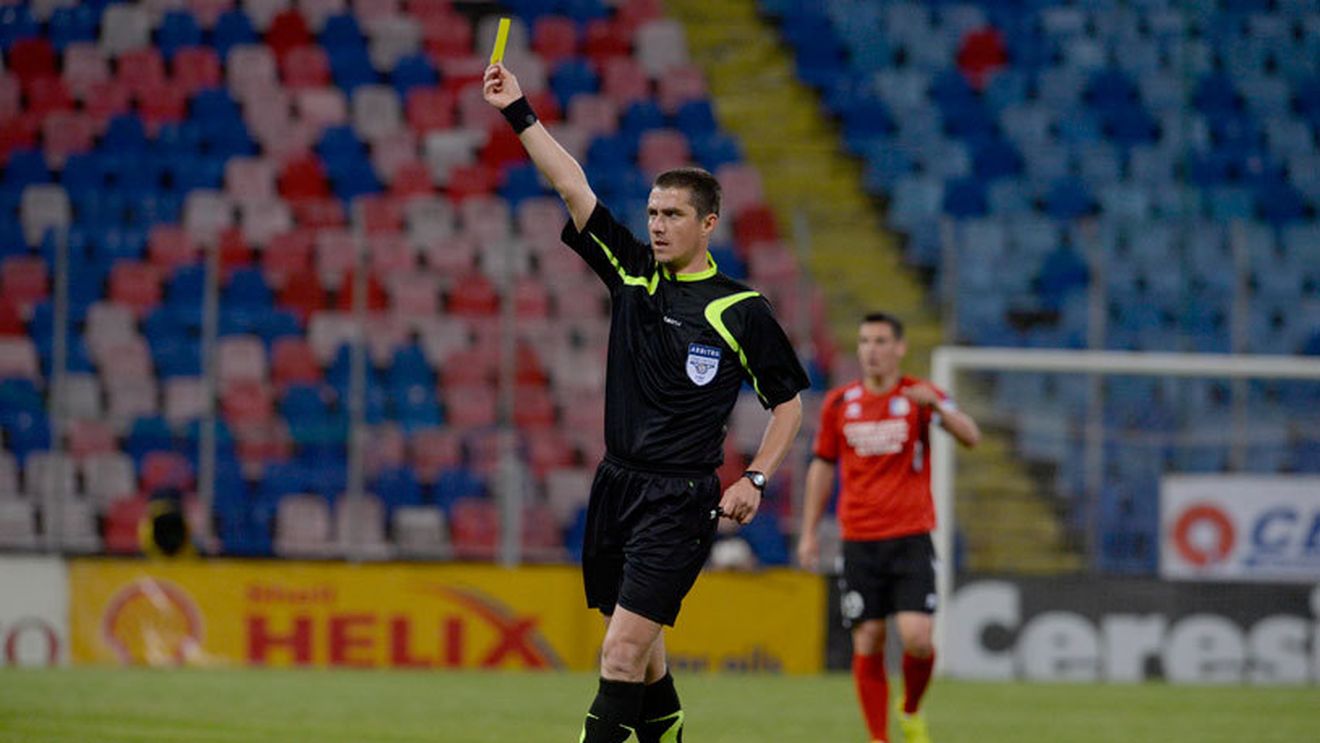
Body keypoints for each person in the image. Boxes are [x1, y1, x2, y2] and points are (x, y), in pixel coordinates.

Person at [483, 63, 809, 742]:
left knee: (620, 652)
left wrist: (756, 476)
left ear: (708, 222)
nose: (657, 225)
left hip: (679, 498)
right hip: (616, 484)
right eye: (653, 213)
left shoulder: (741, 309)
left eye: (673, 215)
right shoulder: (631, 271)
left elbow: (788, 405)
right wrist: (518, 110)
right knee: (642, 646)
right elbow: (572, 184)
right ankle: (668, 729)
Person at [797, 313, 980, 743]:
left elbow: (970, 435)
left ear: (899, 348)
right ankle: (879, 738)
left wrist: (935, 407)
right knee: (870, 637)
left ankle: (911, 708)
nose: (871, 350)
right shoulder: (840, 403)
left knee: (917, 639)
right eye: (864, 341)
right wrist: (808, 533)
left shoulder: (920, 396)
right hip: (859, 539)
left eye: (881, 341)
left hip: (910, 536)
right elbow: (822, 468)